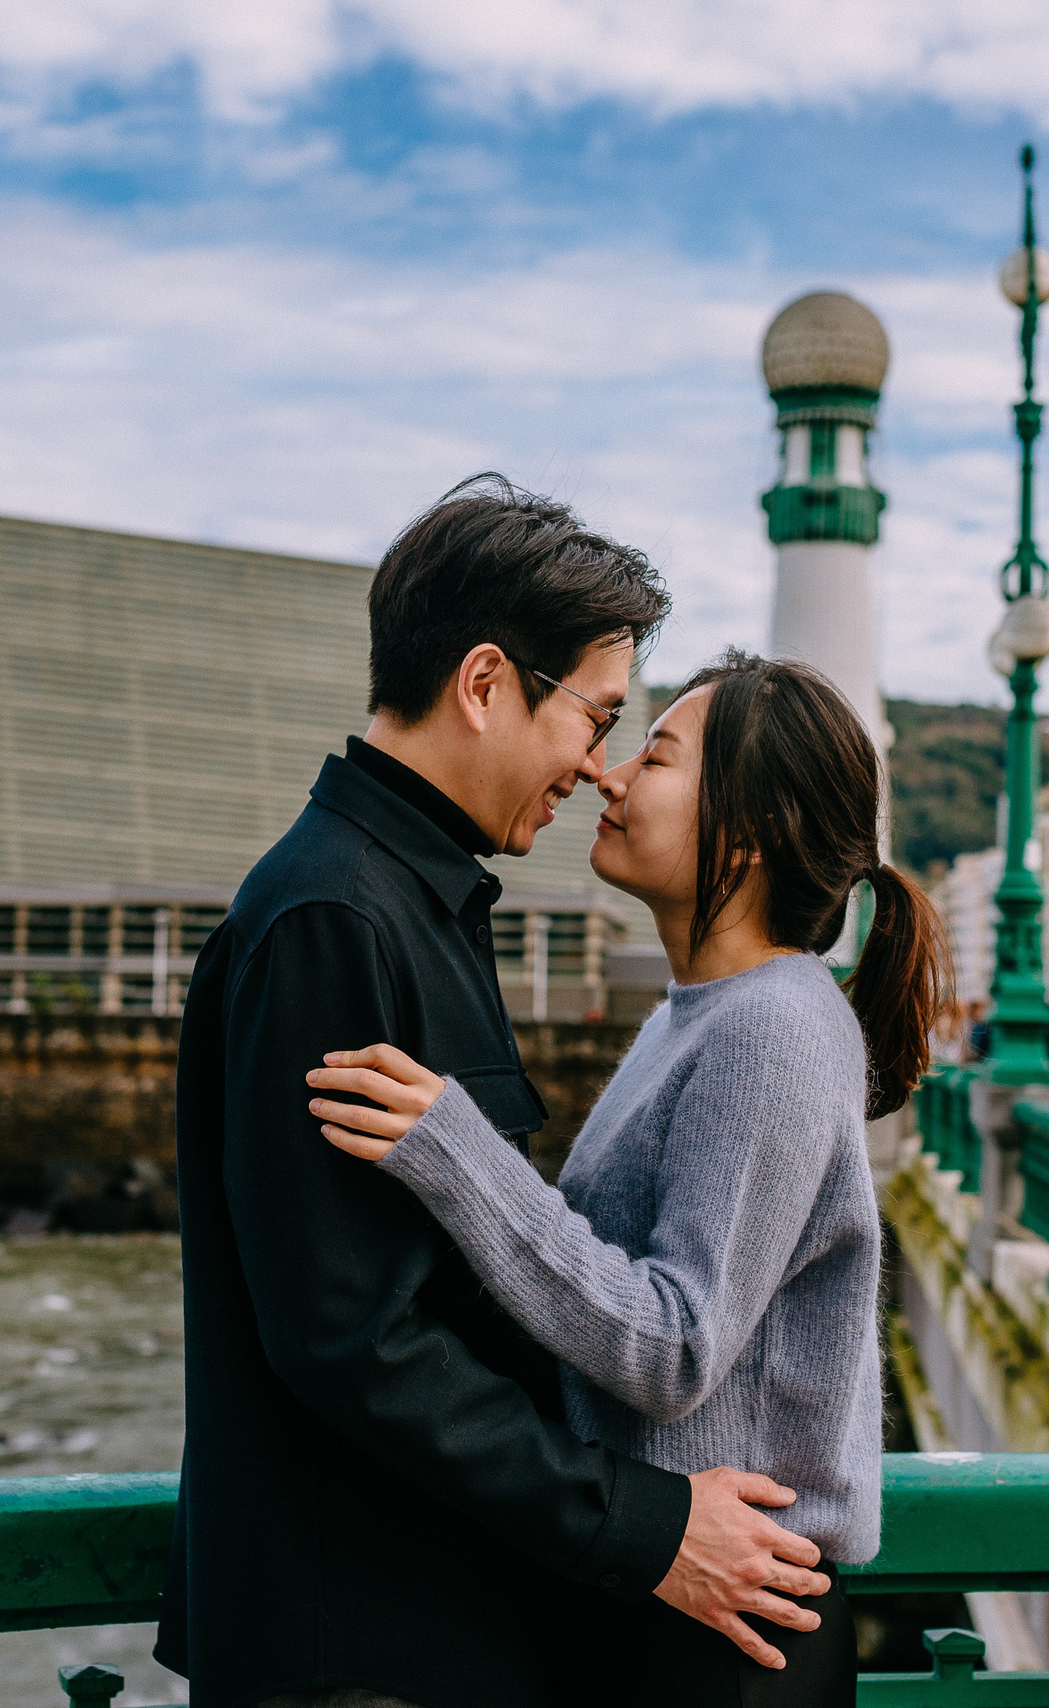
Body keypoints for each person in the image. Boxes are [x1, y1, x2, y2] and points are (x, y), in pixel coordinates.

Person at [160, 482, 822, 1708]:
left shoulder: (401, 904)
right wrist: (644, 1523)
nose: (597, 766)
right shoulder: (336, 918)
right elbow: (356, 1338)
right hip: (361, 1646)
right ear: (483, 683)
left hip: (416, 1628)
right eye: (594, 716)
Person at [308, 650, 945, 1708]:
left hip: (729, 1622)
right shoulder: (699, 1013)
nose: (608, 774)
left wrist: (454, 1149)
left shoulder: (772, 1027)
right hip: (677, 1591)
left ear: (748, 828)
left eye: (656, 756)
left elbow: (674, 1345)